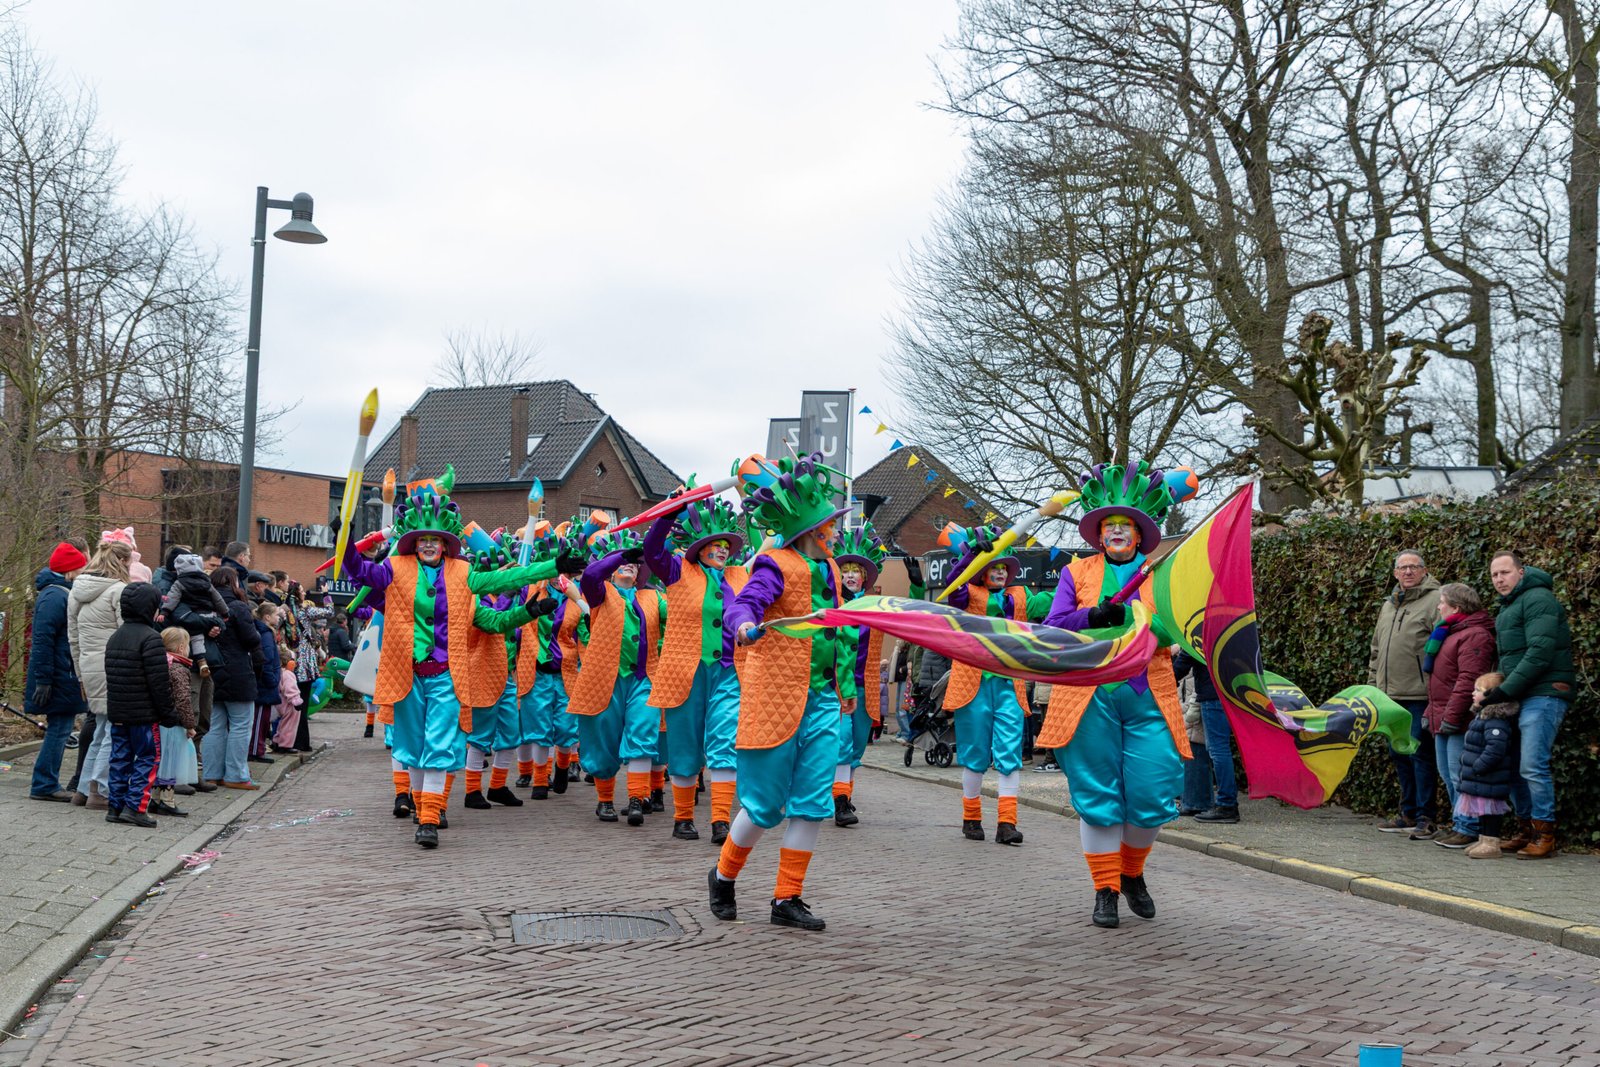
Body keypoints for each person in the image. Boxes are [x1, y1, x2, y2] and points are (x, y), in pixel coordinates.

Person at [337, 467, 575, 848]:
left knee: (439, 743)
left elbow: (506, 580)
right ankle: (421, 806)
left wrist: (553, 569)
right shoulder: (395, 568)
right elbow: (358, 570)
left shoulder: (463, 573)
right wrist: (346, 538)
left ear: (446, 543)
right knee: (412, 747)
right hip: (408, 674)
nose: (430, 545)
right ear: (414, 542)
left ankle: (429, 819)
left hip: (447, 676)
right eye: (424, 539)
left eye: (436, 539)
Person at [1038, 460, 1196, 929]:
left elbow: (1180, 629)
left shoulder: (1160, 574)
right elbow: (1054, 626)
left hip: (1150, 693)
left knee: (1154, 791)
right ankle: (1105, 889)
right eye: (1110, 525)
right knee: (1098, 794)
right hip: (1089, 696)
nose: (1117, 532)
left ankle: (1132, 872)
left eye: (1126, 524)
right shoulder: (1076, 573)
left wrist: (1149, 626)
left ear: (1140, 533)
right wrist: (1093, 617)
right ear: (1099, 534)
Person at [710, 452, 856, 933]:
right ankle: (723, 875)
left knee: (812, 802)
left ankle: (786, 897)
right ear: (812, 529)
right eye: (830, 524)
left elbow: (841, 632)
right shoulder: (776, 564)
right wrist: (744, 625)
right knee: (764, 806)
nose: (835, 530)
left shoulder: (830, 570)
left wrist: (845, 685)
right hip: (776, 697)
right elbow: (745, 603)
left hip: (822, 700)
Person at [942, 522, 1052, 845]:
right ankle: (971, 817)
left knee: (1009, 753)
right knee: (975, 753)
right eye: (994, 567)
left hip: (1008, 686)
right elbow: (952, 585)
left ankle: (1007, 823)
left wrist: (1079, 586)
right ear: (982, 570)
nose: (1001, 572)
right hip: (973, 684)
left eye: (1004, 567)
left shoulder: (1020, 596)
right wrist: (971, 556)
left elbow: (1050, 602)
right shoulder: (967, 594)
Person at [644, 496, 745, 841]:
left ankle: (720, 821)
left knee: (724, 740)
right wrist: (670, 512)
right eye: (715, 545)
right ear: (699, 549)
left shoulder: (739, 575)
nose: (721, 551)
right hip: (685, 672)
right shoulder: (678, 571)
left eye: (725, 546)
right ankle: (683, 817)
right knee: (685, 745)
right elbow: (651, 549)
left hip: (728, 672)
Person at [570, 527, 667, 827]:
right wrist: (621, 556)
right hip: (606, 680)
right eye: (624, 563)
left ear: (640, 574)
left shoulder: (654, 598)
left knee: (643, 734)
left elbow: (679, 615)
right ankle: (605, 800)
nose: (629, 566)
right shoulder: (601, 593)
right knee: (604, 740)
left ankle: (637, 799)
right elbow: (590, 576)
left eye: (634, 564)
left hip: (643, 679)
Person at [1482, 551, 1574, 858]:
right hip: (1521, 694)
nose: (1499, 579)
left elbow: (1539, 652)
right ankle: (1525, 829)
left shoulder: (1537, 599)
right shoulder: (1509, 606)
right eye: (1494, 575)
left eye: (1505, 572)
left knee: (1532, 764)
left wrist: (1504, 691)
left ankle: (1544, 833)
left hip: (1544, 692)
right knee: (1514, 766)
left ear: (1521, 572)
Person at [1367, 550, 1442, 838]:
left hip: (1418, 695)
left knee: (1420, 755)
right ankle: (1408, 812)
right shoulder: (1389, 605)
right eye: (1402, 568)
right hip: (1389, 696)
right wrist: (1373, 687)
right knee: (1398, 754)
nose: (1408, 572)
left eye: (1414, 567)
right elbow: (1376, 649)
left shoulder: (1435, 600)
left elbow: (1442, 647)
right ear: (1395, 573)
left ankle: (1426, 816)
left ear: (1424, 570)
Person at [830, 521, 896, 828]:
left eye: (855, 571)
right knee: (842, 743)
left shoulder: (876, 607)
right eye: (845, 570)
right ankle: (840, 801)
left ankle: (845, 794)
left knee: (856, 746)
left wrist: (916, 587)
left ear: (865, 577)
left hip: (865, 687)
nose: (850, 576)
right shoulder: (831, 602)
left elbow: (908, 617)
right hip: (835, 687)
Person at [1423, 584, 1497, 850]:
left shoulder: (1474, 635)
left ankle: (1469, 827)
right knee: (1447, 773)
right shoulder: (1450, 632)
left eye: (1442, 602)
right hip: (1444, 715)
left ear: (1456, 606)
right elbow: (1440, 682)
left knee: (1460, 775)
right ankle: (1459, 823)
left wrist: (1452, 717)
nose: (1438, 607)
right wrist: (1431, 713)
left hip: (1459, 718)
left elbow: (1468, 680)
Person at [102, 584, 182, 827]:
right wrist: (168, 713)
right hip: (144, 715)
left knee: (119, 758)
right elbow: (159, 683)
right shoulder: (151, 638)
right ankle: (136, 807)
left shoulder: (115, 637)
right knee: (148, 757)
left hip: (118, 711)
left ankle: (115, 806)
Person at [67, 540, 133, 809]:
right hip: (114, 666)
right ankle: (100, 790)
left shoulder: (76, 591)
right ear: (123, 561)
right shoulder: (119, 590)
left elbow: (73, 638)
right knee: (112, 732)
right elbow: (126, 634)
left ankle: (83, 789)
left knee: (100, 729)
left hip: (88, 665)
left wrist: (81, 675)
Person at [27, 542, 91, 801]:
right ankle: (44, 784)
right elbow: (42, 640)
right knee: (60, 728)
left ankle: (46, 782)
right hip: (58, 674)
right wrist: (44, 680)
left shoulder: (57, 593)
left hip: (59, 672)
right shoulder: (56, 596)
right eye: (81, 568)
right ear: (70, 570)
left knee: (61, 727)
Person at [201, 566, 265, 790]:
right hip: (238, 672)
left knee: (214, 725)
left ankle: (211, 774)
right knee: (240, 725)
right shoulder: (238, 607)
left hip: (210, 670)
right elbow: (251, 639)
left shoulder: (204, 606)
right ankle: (236, 775)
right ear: (233, 583)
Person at [1456, 672, 1521, 859]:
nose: (1473, 693)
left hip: (1489, 775)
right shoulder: (1482, 717)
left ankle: (1492, 843)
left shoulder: (1495, 721)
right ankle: (1483, 839)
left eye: (1478, 690)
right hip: (1482, 776)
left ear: (1492, 695)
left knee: (1490, 811)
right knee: (1483, 810)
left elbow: (1495, 748)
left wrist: (1479, 766)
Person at [1173, 649, 1238, 822]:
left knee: (1218, 751)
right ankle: (1226, 803)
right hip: (1229, 691)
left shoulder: (1200, 635)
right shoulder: (1227, 633)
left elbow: (1185, 659)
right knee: (1220, 749)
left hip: (1211, 693)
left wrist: (1164, 680)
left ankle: (1227, 805)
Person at [154, 627, 200, 810]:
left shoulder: (159, 664)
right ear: (181, 647)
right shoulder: (179, 668)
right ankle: (167, 800)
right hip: (174, 723)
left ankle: (155, 799)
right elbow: (183, 699)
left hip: (159, 720)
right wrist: (189, 725)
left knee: (161, 760)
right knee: (171, 761)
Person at [249, 602, 283, 764]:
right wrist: (272, 680)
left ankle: (257, 748)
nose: (279, 617)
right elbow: (267, 660)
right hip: (265, 685)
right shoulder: (266, 635)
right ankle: (256, 750)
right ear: (267, 617)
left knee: (261, 719)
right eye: (276, 614)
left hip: (264, 682)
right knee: (260, 720)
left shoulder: (263, 632)